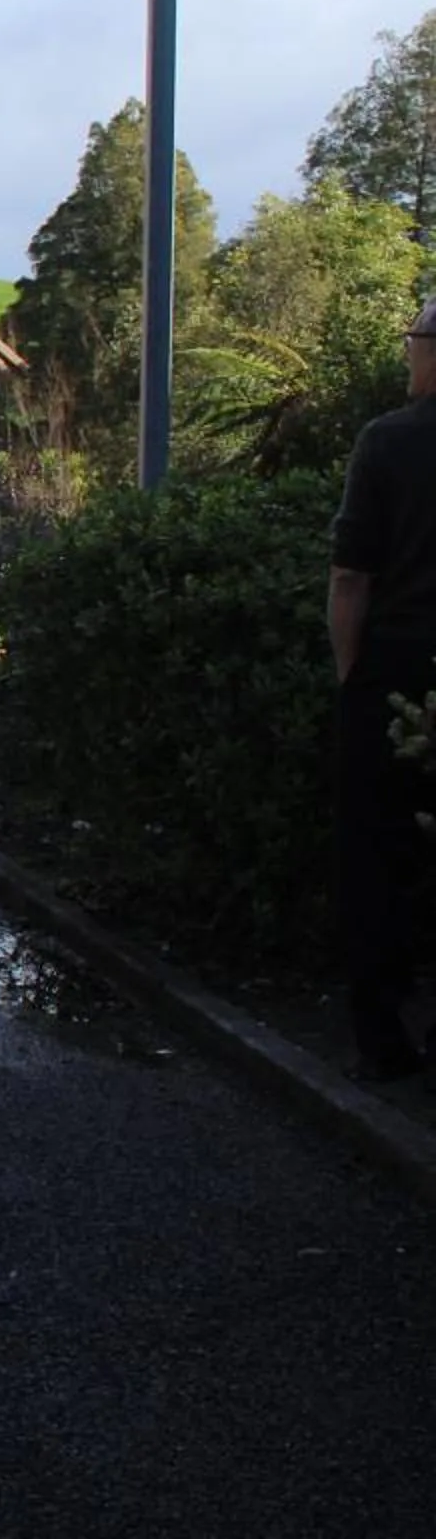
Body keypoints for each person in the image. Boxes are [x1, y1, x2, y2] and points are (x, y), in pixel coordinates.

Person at [328, 293, 436, 1079]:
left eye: (414, 338)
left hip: (399, 670)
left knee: (378, 856)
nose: (407, 352)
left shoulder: (389, 441)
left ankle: (381, 1037)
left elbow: (350, 575)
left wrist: (350, 674)